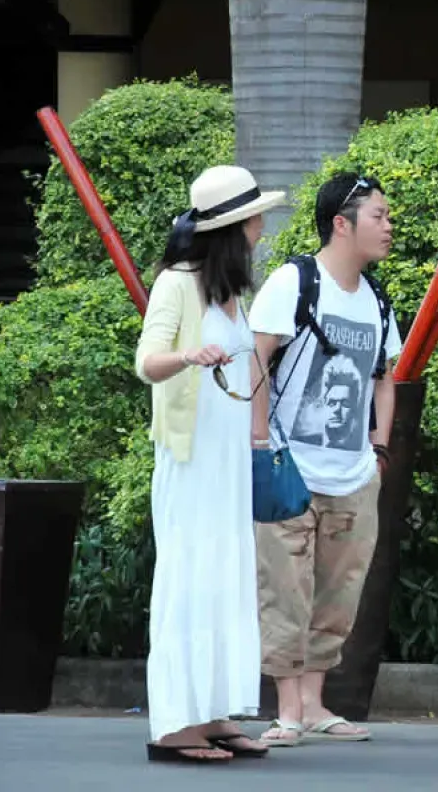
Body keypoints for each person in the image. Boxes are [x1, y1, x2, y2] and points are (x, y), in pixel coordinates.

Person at [135, 165, 286, 764]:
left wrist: (257, 435)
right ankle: (174, 724)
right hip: (190, 457)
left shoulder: (229, 292)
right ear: (231, 228)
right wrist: (187, 355)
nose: (260, 226)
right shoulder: (177, 283)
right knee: (189, 579)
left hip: (223, 460)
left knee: (226, 577)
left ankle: (214, 711)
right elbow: (147, 361)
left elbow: (248, 365)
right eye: (254, 219)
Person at [249, 173, 401, 748]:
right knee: (286, 589)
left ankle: (313, 704)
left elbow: (387, 377)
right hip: (291, 466)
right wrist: (261, 442)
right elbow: (257, 357)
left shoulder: (377, 297)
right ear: (342, 223)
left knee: (338, 592)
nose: (388, 226)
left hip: (353, 474)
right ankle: (286, 710)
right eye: (379, 216)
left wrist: (380, 450)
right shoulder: (296, 281)